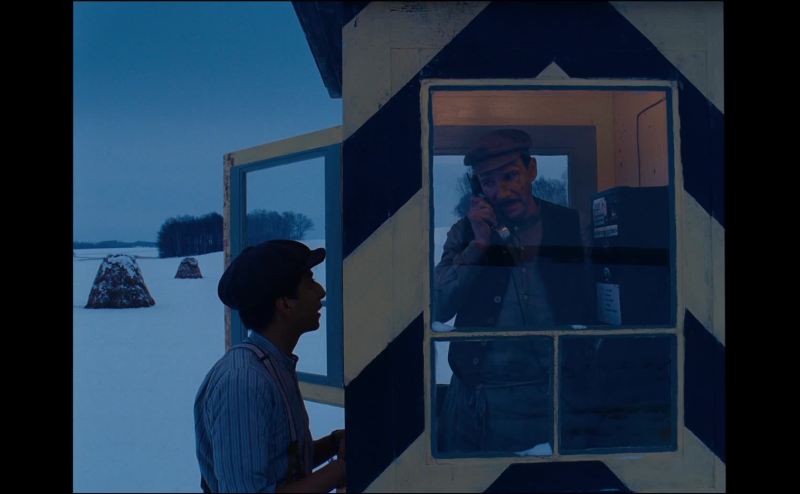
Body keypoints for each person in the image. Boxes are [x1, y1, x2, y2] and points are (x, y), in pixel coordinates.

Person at [433, 128, 593, 455]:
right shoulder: (465, 233)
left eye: (510, 176)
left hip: (554, 393)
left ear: (531, 170)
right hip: (477, 398)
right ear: (477, 187)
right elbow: (439, 305)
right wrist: (479, 245)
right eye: (488, 182)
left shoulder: (571, 226)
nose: (502, 192)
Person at [194, 239, 346, 492]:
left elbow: (280, 465)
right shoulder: (244, 383)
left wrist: (333, 443)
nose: (321, 292)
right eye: (309, 282)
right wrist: (339, 471)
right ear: (285, 304)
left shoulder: (273, 366)